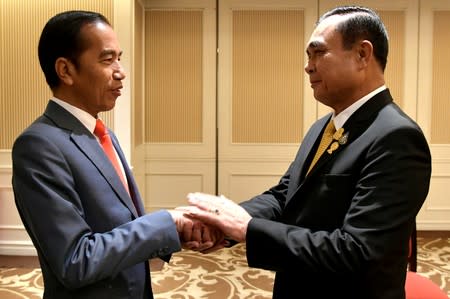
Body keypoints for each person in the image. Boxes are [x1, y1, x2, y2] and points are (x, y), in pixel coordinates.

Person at [184, 5, 432, 299]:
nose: (308, 66)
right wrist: (224, 222)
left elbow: (357, 251)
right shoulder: (322, 127)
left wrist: (248, 229)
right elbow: (285, 195)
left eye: (319, 52)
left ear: (362, 55)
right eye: (308, 55)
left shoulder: (397, 137)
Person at [11, 10, 219, 299]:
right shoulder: (38, 146)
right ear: (65, 70)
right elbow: (75, 261)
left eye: (119, 58)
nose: (120, 71)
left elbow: (121, 227)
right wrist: (165, 223)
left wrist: (175, 232)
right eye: (107, 60)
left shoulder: (104, 134)